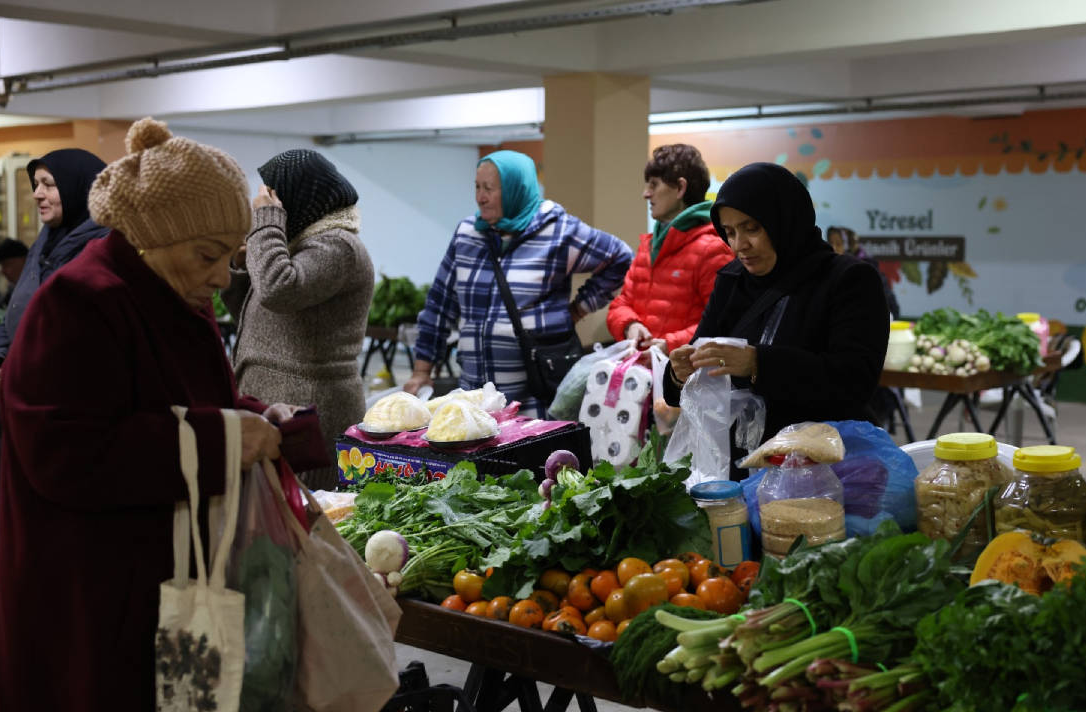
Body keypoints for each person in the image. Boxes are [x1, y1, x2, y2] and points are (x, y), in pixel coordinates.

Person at [0, 118, 309, 712]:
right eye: (208, 255)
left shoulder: (166, 293)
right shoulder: (78, 301)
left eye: (228, 257)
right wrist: (220, 440)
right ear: (155, 235)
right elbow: (66, 452)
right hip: (94, 595)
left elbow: (185, 399)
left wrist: (255, 417)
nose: (221, 278)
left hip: (159, 583)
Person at [665, 163, 889, 474]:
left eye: (752, 228)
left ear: (785, 220)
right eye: (729, 232)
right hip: (739, 468)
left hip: (822, 467)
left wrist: (759, 364)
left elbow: (853, 381)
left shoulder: (848, 280)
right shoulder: (732, 281)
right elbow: (700, 365)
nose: (740, 245)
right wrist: (679, 374)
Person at [0, 150, 109, 636]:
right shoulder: (47, 242)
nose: (38, 193)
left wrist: (16, 372)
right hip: (13, 418)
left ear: (79, 188)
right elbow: (16, 317)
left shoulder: (97, 248)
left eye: (49, 184)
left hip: (57, 426)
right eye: (35, 183)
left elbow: (75, 341)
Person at [405, 150, 633, 414]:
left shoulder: (558, 232)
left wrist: (578, 309)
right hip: (472, 398)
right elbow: (439, 305)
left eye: (489, 188)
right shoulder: (467, 235)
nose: (480, 197)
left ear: (516, 189)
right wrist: (422, 370)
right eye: (477, 187)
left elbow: (621, 259)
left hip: (533, 400)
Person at [223, 149, 374, 490]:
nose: (263, 203)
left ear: (296, 197)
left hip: (310, 409)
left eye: (272, 195)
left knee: (305, 517)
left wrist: (267, 225)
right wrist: (240, 263)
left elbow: (278, 290)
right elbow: (257, 316)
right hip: (277, 404)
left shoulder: (339, 246)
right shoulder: (299, 246)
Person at [606, 144, 733, 351]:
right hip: (642, 376)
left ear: (680, 188)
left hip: (686, 378)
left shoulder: (713, 249)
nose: (645, 194)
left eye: (654, 185)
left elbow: (723, 323)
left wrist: (669, 345)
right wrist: (630, 325)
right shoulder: (649, 245)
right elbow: (621, 304)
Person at [828, 225, 899, 317]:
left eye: (838, 244)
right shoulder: (829, 269)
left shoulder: (867, 268)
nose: (833, 248)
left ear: (848, 247)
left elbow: (890, 306)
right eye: (830, 243)